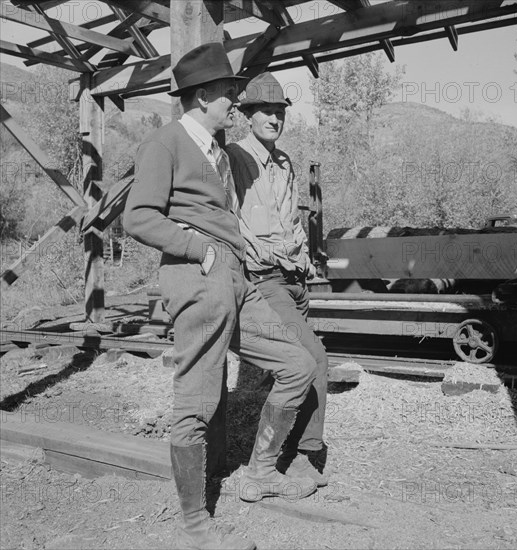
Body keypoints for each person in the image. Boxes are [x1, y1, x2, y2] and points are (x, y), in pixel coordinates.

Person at [123, 43, 319, 550]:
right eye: (230, 93)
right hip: (200, 277)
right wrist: (197, 248)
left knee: (298, 365)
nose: (236, 101)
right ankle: (195, 528)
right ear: (204, 94)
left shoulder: (218, 150)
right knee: (197, 402)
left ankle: (260, 473)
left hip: (238, 279)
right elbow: (139, 216)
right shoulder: (166, 142)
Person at [225, 72, 329, 487]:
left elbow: (291, 220)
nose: (274, 117)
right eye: (265, 111)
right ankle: (299, 457)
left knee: (305, 363)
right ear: (247, 115)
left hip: (294, 276)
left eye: (280, 111)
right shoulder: (232, 157)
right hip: (264, 277)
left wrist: (304, 259)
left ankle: (291, 451)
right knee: (314, 357)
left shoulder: (283, 162)